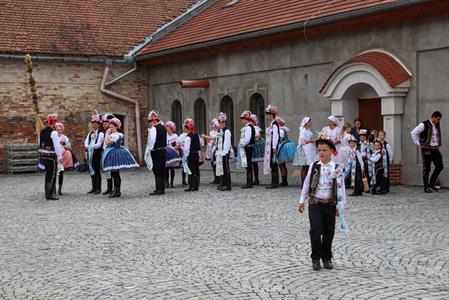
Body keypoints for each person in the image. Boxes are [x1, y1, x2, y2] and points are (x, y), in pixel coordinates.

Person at [298, 139, 346, 271]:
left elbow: (341, 189)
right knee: (315, 230)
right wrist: (301, 200)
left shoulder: (337, 168)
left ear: (331, 151)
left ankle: (327, 257)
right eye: (319, 150)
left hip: (330, 204)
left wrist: (340, 206)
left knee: (329, 232)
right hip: (315, 203)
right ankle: (315, 258)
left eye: (324, 150)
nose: (321, 153)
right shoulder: (314, 166)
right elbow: (307, 184)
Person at [102, 118, 139, 197]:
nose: (110, 128)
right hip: (112, 153)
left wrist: (107, 133)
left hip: (115, 154)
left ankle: (117, 191)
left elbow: (107, 142)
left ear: (116, 127)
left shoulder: (116, 135)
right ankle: (116, 190)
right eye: (110, 127)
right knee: (114, 173)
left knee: (115, 173)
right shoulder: (114, 134)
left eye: (112, 127)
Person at [411, 111, 444, 193]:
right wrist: (418, 143)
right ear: (433, 117)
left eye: (439, 120)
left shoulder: (437, 124)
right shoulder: (424, 124)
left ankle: (432, 184)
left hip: (435, 148)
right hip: (427, 149)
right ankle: (426, 187)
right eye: (437, 119)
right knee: (427, 168)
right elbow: (413, 132)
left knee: (440, 166)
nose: (438, 121)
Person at [39, 114, 64, 200]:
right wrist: (60, 156)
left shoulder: (42, 131)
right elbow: (57, 146)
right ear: (53, 122)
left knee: (47, 174)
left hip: (44, 155)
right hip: (51, 156)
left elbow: (41, 143)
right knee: (52, 174)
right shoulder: (53, 132)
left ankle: (48, 193)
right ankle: (50, 194)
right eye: (55, 122)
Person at [146, 110, 167, 196]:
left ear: (153, 121)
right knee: (162, 169)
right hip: (163, 150)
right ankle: (162, 188)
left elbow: (152, 140)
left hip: (156, 151)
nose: (150, 124)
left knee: (157, 170)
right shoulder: (163, 127)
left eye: (150, 121)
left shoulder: (154, 128)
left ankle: (158, 189)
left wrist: (151, 149)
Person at [84, 113, 104, 194]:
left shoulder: (101, 134)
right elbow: (85, 142)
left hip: (96, 155)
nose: (94, 125)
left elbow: (99, 145)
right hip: (90, 154)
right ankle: (93, 187)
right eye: (93, 124)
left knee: (96, 170)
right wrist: (88, 146)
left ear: (99, 125)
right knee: (91, 170)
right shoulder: (90, 134)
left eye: (95, 124)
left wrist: (90, 146)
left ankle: (98, 188)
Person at [293, 117, 316, 186]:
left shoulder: (308, 130)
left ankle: (308, 182)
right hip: (305, 150)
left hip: (310, 149)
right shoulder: (303, 131)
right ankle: (304, 183)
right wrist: (313, 140)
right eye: (310, 122)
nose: (311, 123)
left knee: (309, 166)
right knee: (305, 167)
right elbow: (302, 141)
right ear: (306, 123)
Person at [263, 105, 280, 189]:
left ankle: (274, 183)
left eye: (267, 114)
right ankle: (274, 182)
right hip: (270, 146)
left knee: (273, 164)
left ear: (271, 115)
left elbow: (276, 136)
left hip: (272, 147)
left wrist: (274, 147)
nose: (266, 116)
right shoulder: (272, 124)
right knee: (272, 163)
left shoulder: (274, 125)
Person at [276, 117, 297, 186]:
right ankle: (284, 180)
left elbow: (279, 139)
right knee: (282, 165)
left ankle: (284, 181)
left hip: (281, 146)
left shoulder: (280, 130)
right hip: (284, 145)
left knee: (281, 165)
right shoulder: (283, 129)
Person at [55, 122, 74, 195]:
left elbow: (69, 146)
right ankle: (53, 188)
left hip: (62, 157)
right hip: (55, 156)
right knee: (54, 173)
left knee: (61, 173)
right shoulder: (53, 137)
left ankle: (60, 189)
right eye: (57, 130)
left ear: (62, 130)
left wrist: (63, 145)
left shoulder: (64, 137)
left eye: (60, 129)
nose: (59, 131)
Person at [182, 118, 201, 192]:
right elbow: (200, 144)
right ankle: (196, 186)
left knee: (190, 170)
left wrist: (185, 156)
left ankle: (192, 186)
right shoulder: (196, 135)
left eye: (185, 128)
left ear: (187, 128)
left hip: (191, 155)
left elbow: (186, 149)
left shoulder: (188, 137)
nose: (184, 129)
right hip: (196, 154)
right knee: (196, 170)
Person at [238, 111, 255, 189]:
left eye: (243, 119)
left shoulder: (248, 127)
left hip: (248, 147)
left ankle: (249, 183)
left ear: (247, 120)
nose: (242, 121)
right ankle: (249, 182)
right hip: (247, 147)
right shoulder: (248, 127)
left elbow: (247, 139)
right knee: (247, 164)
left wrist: (242, 145)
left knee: (248, 164)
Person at [215, 112, 232, 191]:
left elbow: (227, 143)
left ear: (225, 122)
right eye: (220, 122)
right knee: (220, 168)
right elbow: (217, 141)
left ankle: (227, 185)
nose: (221, 123)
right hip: (219, 152)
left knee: (225, 168)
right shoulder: (219, 131)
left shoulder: (227, 131)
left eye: (222, 122)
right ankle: (222, 183)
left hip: (224, 153)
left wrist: (224, 152)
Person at [201, 118, 220, 184]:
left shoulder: (219, 132)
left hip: (217, 149)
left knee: (217, 164)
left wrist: (205, 136)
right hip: (212, 149)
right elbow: (211, 139)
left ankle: (219, 178)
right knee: (213, 164)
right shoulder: (212, 132)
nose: (214, 127)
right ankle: (216, 178)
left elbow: (213, 138)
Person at [101, 112, 115, 195]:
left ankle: (113, 188)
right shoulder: (106, 131)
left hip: (110, 152)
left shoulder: (112, 132)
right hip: (105, 151)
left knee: (112, 171)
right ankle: (109, 188)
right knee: (107, 171)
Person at [165, 121, 181, 188]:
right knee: (166, 169)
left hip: (173, 153)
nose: (167, 129)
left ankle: (171, 183)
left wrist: (172, 148)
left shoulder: (175, 136)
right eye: (166, 128)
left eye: (168, 128)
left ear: (171, 128)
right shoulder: (165, 136)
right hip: (167, 154)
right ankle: (167, 183)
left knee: (172, 169)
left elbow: (178, 145)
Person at [251, 114, 264, 186]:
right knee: (253, 164)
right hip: (253, 145)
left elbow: (257, 136)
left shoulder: (255, 128)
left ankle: (256, 179)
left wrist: (251, 136)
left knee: (254, 163)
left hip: (255, 146)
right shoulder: (251, 128)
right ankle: (255, 179)